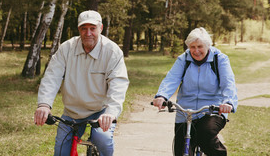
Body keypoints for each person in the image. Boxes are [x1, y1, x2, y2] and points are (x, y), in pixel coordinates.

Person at [34, 10, 129, 156]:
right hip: (72, 112)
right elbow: (52, 77)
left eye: (92, 28)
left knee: (102, 140)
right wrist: (44, 105)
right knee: (61, 150)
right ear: (79, 29)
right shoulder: (67, 48)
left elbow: (118, 83)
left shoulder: (112, 51)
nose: (88, 33)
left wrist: (111, 112)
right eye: (83, 28)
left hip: (101, 111)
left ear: (101, 28)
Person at [152, 27, 237, 156]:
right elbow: (171, 78)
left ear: (208, 46)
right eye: (192, 47)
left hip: (212, 110)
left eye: (200, 46)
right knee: (181, 151)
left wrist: (228, 102)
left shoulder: (219, 59)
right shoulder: (184, 59)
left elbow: (228, 83)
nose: (196, 51)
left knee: (205, 133)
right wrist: (161, 96)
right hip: (185, 111)